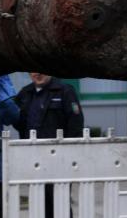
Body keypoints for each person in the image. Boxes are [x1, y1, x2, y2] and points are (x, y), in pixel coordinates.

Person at [14, 72, 84, 218]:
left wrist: (70, 156)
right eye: (32, 70)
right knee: (38, 203)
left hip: (59, 160)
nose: (37, 73)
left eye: (41, 69)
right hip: (34, 160)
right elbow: (20, 124)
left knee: (60, 204)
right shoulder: (25, 93)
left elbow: (76, 125)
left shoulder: (65, 91)